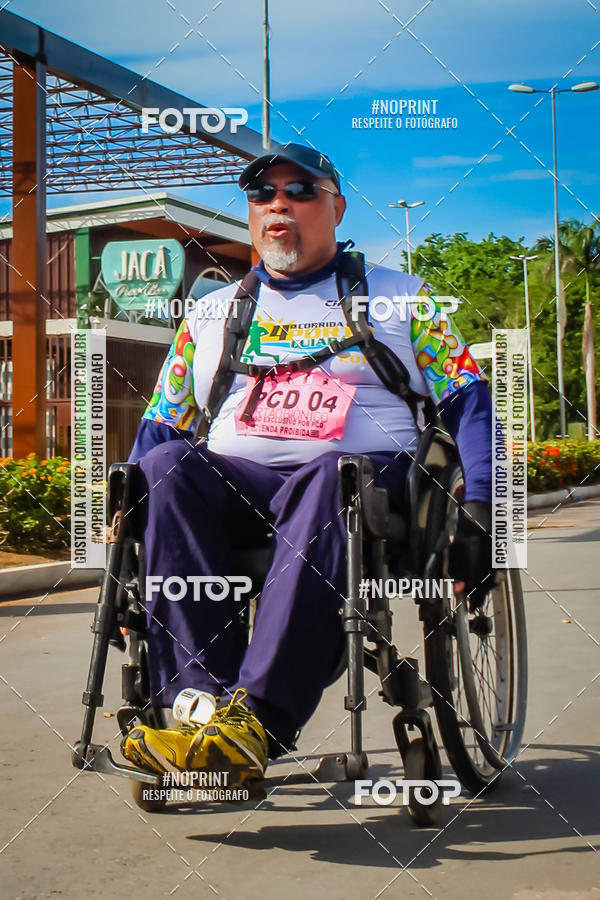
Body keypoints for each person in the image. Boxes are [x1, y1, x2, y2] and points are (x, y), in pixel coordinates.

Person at [121, 144, 494, 787]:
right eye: (263, 195)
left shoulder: (403, 297)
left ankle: (257, 719)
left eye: (300, 191)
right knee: (167, 469)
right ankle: (195, 709)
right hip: (243, 481)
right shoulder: (212, 313)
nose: (279, 205)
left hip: (365, 479)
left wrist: (485, 507)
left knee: (330, 475)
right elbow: (163, 421)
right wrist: (123, 514)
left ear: (336, 206)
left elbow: (470, 402)